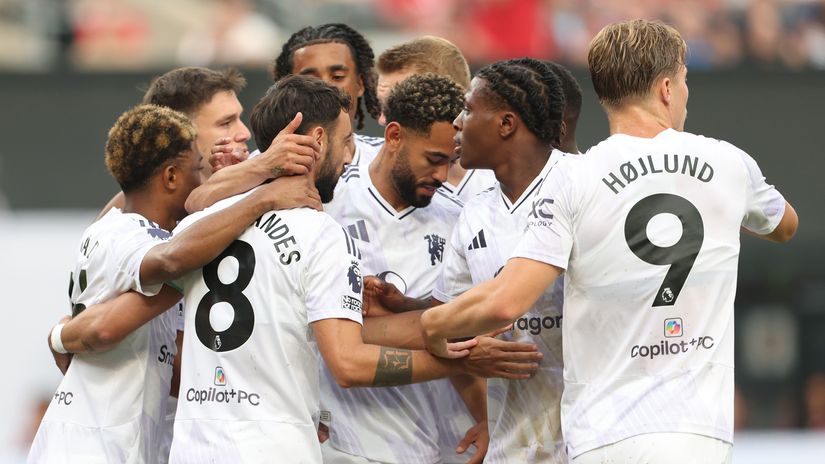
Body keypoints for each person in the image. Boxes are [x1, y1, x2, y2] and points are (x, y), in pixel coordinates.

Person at [420, 19, 798, 464]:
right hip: (695, 432)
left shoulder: (573, 181)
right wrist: (719, 208)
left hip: (603, 435)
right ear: (666, 87)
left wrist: (432, 325)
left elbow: (505, 301)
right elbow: (785, 225)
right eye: (685, 81)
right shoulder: (729, 164)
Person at [165, 75, 537, 464]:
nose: (348, 158)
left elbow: (168, 259)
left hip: (194, 445)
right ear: (319, 142)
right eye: (345, 142)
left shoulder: (200, 227)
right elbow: (347, 362)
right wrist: (456, 359)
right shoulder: (321, 234)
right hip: (274, 446)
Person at [30, 104, 312, 464]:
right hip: (94, 446)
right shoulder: (130, 234)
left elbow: (169, 360)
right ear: (171, 178)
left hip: (96, 438)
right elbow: (171, 261)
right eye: (198, 169)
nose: (204, 180)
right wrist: (263, 197)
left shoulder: (112, 228)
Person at [320, 73, 484, 464]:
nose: (443, 176)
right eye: (433, 160)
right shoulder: (327, 205)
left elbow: (467, 333)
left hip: (442, 444)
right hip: (345, 445)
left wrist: (485, 415)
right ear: (394, 136)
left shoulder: (461, 222)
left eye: (451, 161)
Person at [435, 57, 569, 463]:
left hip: (589, 441)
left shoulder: (582, 185)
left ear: (506, 123)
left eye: (468, 110)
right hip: (512, 446)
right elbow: (450, 321)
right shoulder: (474, 212)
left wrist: (429, 328)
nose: (457, 123)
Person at [100, 66, 319, 216]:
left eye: (239, 118)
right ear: (179, 134)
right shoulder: (127, 212)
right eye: (225, 123)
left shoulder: (261, 172)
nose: (244, 133)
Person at [375, 36, 495, 203]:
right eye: (382, 105)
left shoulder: (498, 185)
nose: (382, 119)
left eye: (401, 101)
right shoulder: (357, 169)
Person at [273, 23, 383, 166]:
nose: (326, 89)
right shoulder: (258, 172)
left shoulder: (389, 161)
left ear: (360, 84)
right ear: (286, 91)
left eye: (337, 77)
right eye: (310, 80)